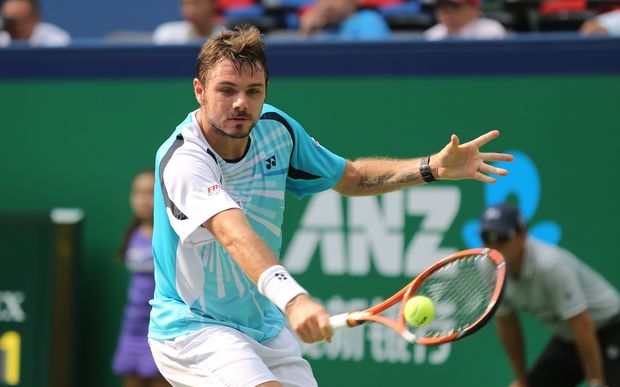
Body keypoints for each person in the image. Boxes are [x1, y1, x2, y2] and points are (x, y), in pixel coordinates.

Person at [147, 25, 513, 387]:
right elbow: (233, 234)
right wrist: (294, 300)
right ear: (200, 91)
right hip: (194, 327)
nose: (241, 103)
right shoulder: (184, 160)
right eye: (226, 90)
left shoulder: (277, 130)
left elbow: (350, 176)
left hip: (263, 328)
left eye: (253, 91)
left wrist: (431, 167)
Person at [480, 203, 620, 387]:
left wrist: (596, 383)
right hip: (570, 338)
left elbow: (583, 326)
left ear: (522, 236)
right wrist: (523, 380)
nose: (494, 245)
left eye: (502, 237)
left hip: (611, 328)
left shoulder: (550, 265)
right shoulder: (489, 267)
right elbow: (508, 325)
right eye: (487, 238)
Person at [112, 170, 169, 387]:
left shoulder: (172, 235)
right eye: (137, 193)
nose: (142, 200)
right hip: (132, 326)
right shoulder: (132, 233)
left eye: (149, 192)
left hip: (162, 328)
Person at [299, 0, 390, 40]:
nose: (329, 3)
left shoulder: (369, 21)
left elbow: (373, 62)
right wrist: (307, 34)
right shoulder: (323, 28)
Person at [424, 0, 506, 41]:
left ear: (475, 9)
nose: (447, 12)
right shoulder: (432, 35)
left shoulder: (491, 31)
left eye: (454, 7)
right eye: (441, 7)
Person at [0, 0, 70, 48]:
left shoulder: (54, 39)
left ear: (34, 19)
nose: (12, 27)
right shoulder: (2, 38)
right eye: (8, 20)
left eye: (15, 21)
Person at [152, 0, 223, 45]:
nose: (190, 10)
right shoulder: (165, 34)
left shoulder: (228, 40)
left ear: (213, 4)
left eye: (196, 3)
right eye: (185, 4)